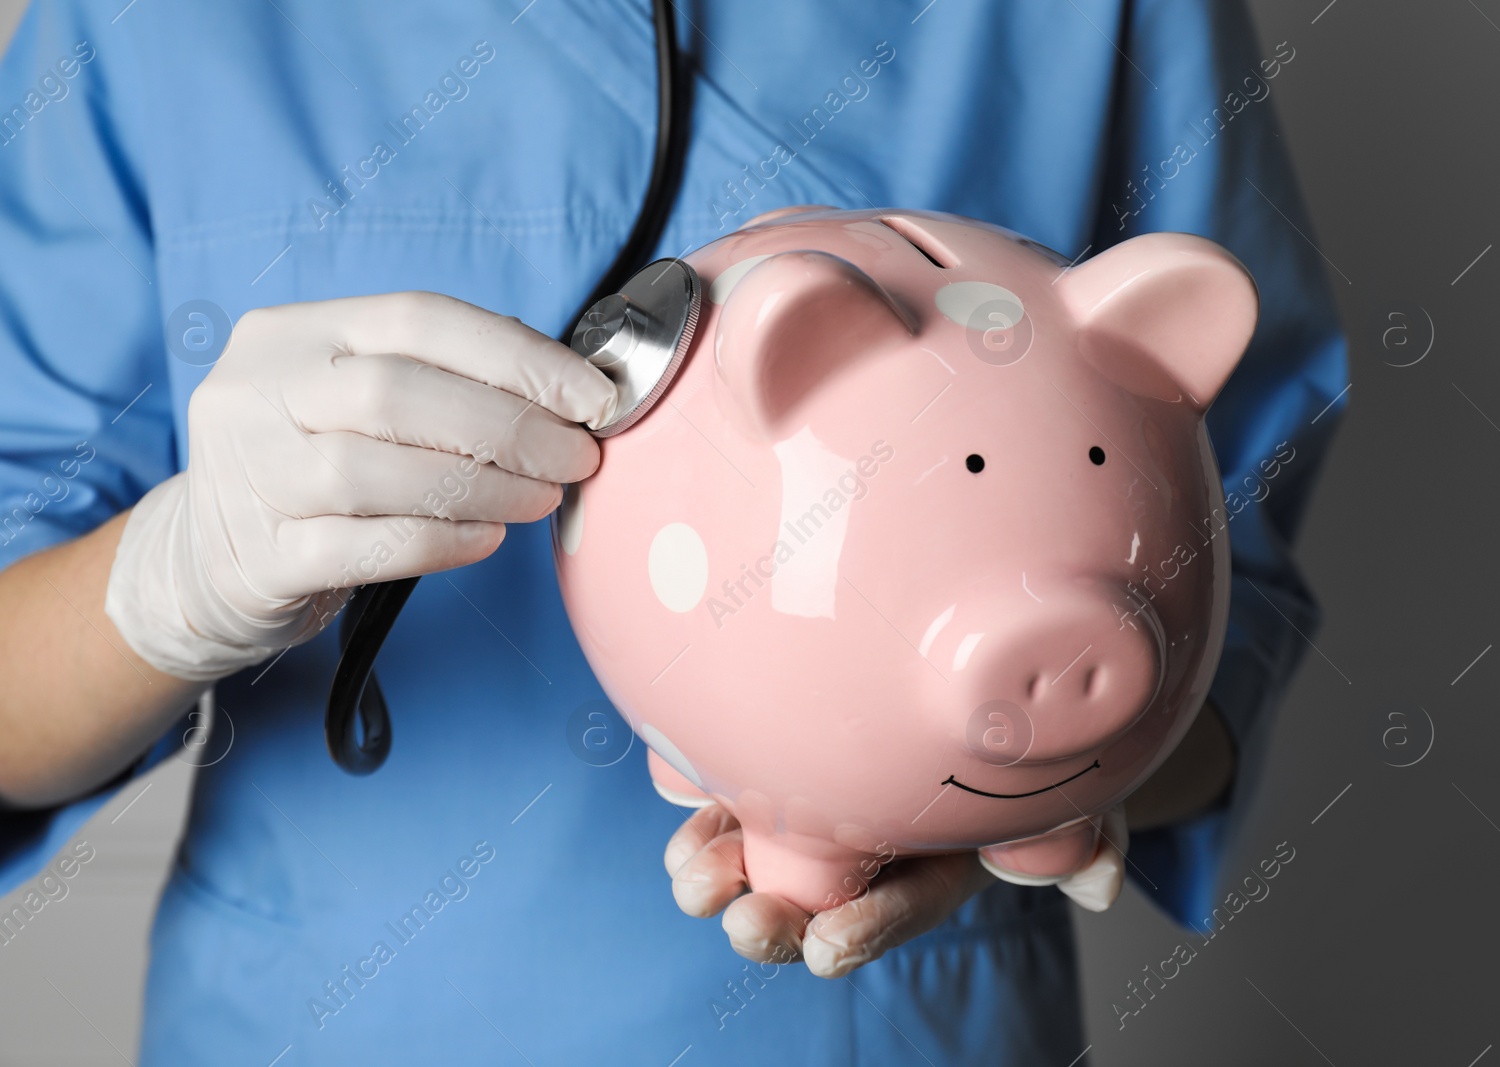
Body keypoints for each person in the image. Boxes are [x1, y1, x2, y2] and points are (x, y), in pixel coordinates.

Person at [0, 0, 1345, 1062]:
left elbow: (1231, 592)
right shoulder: (152, 20)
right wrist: (167, 583)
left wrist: (1055, 780)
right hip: (329, 1015)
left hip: (889, 1030)